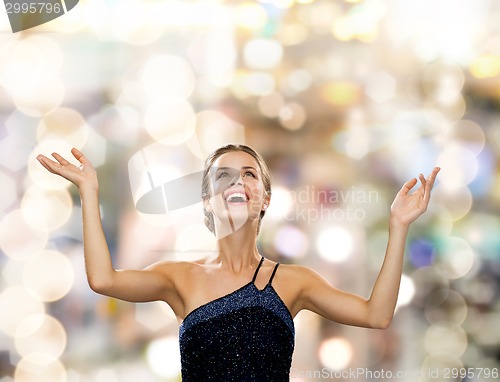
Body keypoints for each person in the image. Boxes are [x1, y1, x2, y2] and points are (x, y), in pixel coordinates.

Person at [37, 144, 440, 381]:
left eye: (248, 174)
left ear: (264, 198)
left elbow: (376, 315)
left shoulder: (294, 281)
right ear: (209, 201)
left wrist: (398, 225)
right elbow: (103, 280)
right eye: (223, 176)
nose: (236, 182)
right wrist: (89, 191)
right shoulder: (180, 276)